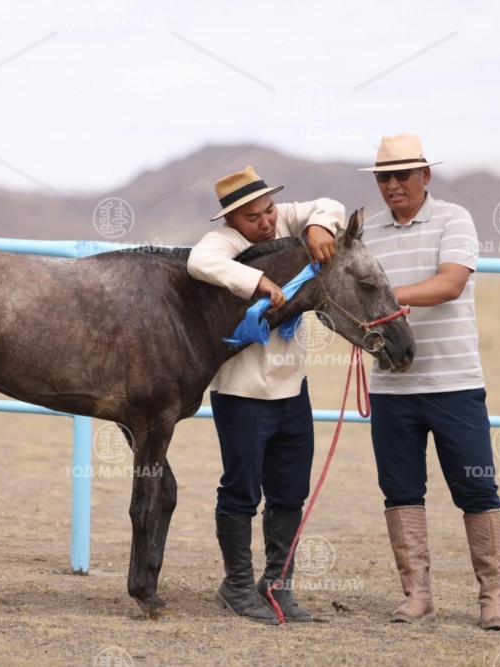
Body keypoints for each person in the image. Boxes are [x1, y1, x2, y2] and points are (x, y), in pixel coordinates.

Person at [358, 134, 500, 631]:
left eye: (402, 174)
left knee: (477, 488)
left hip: (454, 383)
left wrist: (384, 297)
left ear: (425, 175)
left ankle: (493, 600)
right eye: (384, 176)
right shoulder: (366, 233)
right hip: (391, 386)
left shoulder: (454, 219)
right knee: (400, 490)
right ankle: (417, 596)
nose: (392, 183)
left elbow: (451, 283)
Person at [187, 165, 343, 623]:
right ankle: (236, 586)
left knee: (290, 491)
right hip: (241, 390)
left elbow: (329, 205)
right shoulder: (222, 243)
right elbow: (200, 262)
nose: (267, 222)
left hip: (293, 386)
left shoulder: (287, 220)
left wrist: (319, 226)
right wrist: (257, 281)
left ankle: (277, 586)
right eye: (252, 217)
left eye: (269, 210)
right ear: (231, 220)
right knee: (241, 490)